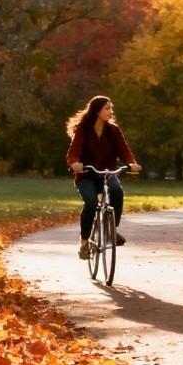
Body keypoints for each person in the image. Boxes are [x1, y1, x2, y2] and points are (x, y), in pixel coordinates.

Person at [66, 96, 141, 258]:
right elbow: (74, 151)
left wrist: (132, 163)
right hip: (86, 175)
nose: (110, 111)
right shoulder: (83, 129)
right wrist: (74, 163)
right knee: (91, 202)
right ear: (97, 110)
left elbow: (124, 151)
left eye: (110, 108)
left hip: (107, 174)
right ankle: (84, 243)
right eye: (107, 108)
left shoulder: (113, 131)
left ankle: (111, 230)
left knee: (117, 191)